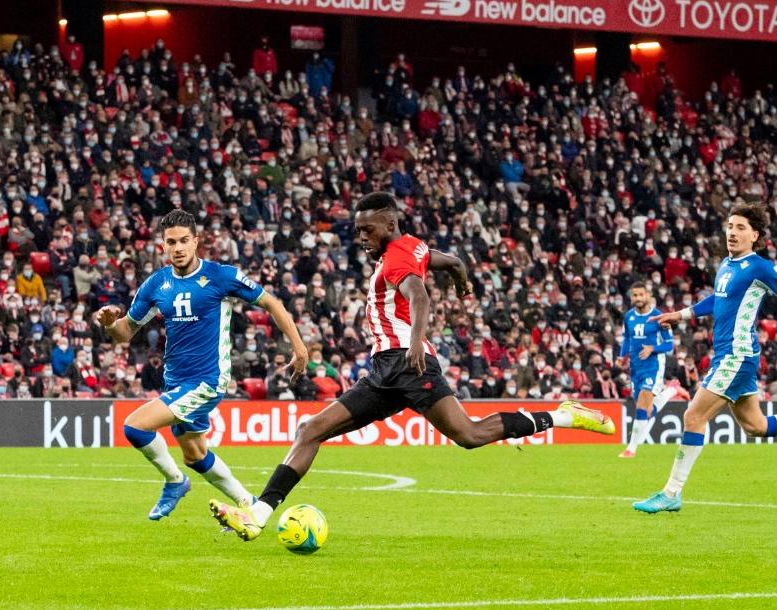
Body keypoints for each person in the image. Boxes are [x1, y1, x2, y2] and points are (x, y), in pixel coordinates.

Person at [210, 192, 614, 540]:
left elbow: (418, 295)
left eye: (368, 230)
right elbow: (452, 260)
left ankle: (561, 416)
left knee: (469, 435)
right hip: (385, 371)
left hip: (408, 363)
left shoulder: (395, 260)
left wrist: (418, 338)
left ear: (389, 223)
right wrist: (461, 280)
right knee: (310, 429)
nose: (361, 238)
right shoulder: (412, 247)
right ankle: (257, 517)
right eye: (358, 231)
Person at [96, 209, 308, 520]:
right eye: (171, 242)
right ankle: (248, 505)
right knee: (195, 455)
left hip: (208, 379)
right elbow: (124, 333)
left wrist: (299, 347)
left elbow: (271, 302)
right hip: (177, 381)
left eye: (184, 241)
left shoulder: (222, 276)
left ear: (196, 241)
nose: (178, 248)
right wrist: (110, 324)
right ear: (163, 246)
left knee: (134, 426)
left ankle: (174, 481)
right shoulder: (157, 284)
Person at [634, 204, 777, 513]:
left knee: (693, 416)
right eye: (730, 226)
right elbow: (716, 300)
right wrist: (681, 315)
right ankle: (671, 494)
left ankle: (671, 493)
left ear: (756, 235)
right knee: (755, 425)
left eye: (740, 228)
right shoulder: (727, 264)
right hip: (726, 355)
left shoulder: (761, 267)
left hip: (738, 356)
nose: (733, 232)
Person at [617, 281, 677, 458]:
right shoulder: (629, 317)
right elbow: (627, 339)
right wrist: (622, 356)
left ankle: (631, 449)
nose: (638, 298)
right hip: (636, 367)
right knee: (646, 410)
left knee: (642, 407)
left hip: (654, 366)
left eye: (641, 295)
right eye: (634, 295)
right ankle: (669, 392)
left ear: (648, 296)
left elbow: (669, 345)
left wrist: (652, 348)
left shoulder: (659, 317)